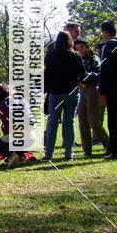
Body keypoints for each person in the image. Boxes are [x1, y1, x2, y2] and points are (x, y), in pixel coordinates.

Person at [43, 31, 85, 161]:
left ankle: (48, 154)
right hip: (72, 92)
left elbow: (47, 73)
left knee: (52, 123)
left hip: (55, 92)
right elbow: (82, 73)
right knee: (69, 123)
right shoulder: (76, 56)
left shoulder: (52, 56)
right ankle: (69, 154)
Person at [73, 39, 110, 157]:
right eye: (77, 48)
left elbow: (99, 74)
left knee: (93, 121)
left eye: (82, 47)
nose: (80, 50)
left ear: (87, 47)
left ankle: (109, 145)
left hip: (93, 90)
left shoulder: (94, 59)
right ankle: (87, 150)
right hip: (82, 90)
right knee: (82, 120)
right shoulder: (77, 60)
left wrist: (86, 78)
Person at [99, 20, 117, 159]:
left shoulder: (108, 46)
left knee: (113, 121)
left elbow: (104, 71)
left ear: (105, 32)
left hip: (112, 89)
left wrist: (102, 91)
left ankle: (115, 151)